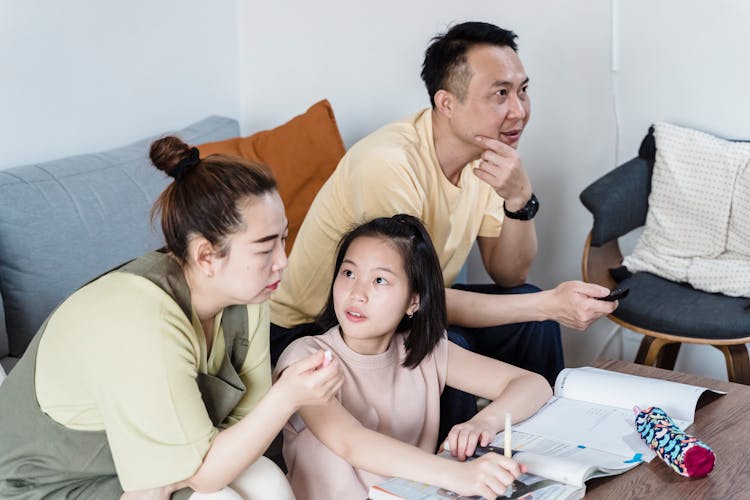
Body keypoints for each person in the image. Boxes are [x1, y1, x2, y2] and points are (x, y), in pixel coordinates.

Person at [269, 21, 616, 439]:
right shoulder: (390, 164)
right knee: (452, 345)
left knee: (531, 315)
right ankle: (450, 472)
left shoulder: (486, 158)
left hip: (407, 306)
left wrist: (519, 201)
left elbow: (510, 275)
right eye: (500, 93)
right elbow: (397, 296)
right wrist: (549, 303)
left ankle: (547, 448)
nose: (519, 110)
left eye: (523, 90)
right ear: (446, 102)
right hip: (324, 323)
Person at [0, 137, 344, 499]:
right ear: (207, 256)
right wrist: (287, 396)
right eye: (265, 247)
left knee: (266, 479)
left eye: (283, 240)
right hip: (44, 484)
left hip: (136, 465)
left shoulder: (250, 294)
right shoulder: (143, 319)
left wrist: (187, 468)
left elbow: (246, 424)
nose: (282, 261)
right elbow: (205, 477)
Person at [274, 214, 551, 500]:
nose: (357, 293)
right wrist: (460, 475)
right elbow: (350, 442)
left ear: (413, 300)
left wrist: (483, 422)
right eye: (348, 273)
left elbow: (532, 384)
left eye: (379, 280)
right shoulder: (306, 357)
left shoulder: (424, 352)